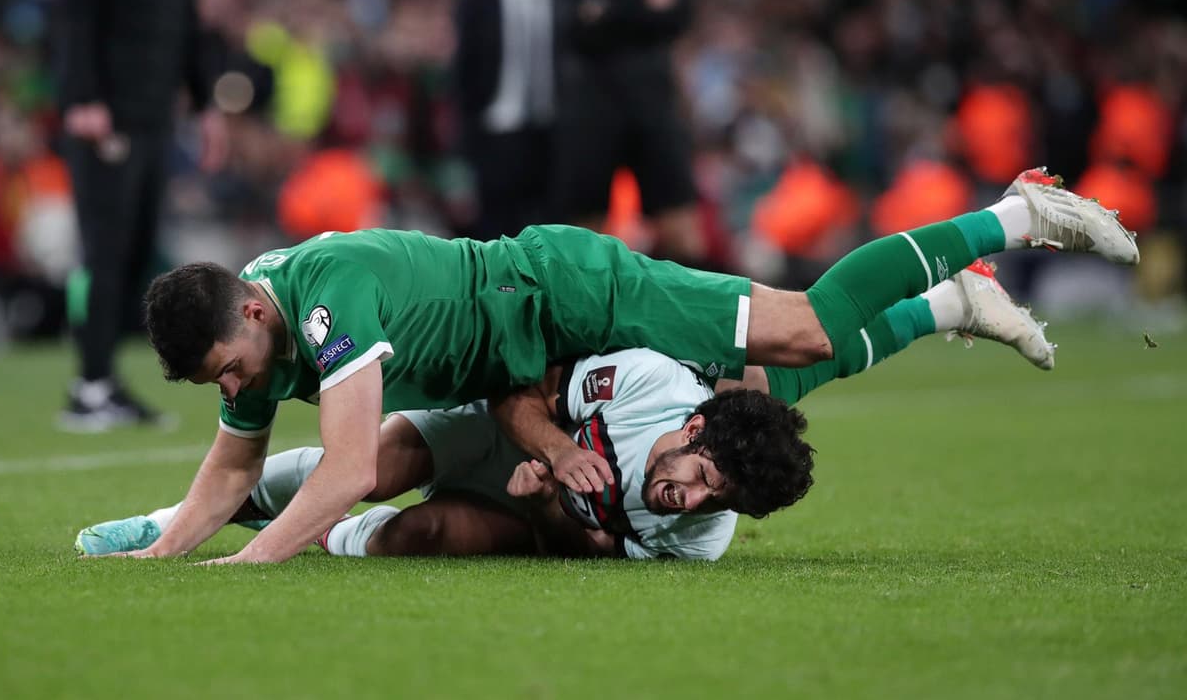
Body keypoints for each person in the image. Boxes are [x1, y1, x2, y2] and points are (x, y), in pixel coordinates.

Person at [104, 166, 1132, 566]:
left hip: (559, 292)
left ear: (251, 307)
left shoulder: (326, 298)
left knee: (802, 331)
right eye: (216, 382)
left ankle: (1015, 212)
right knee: (762, 391)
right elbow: (231, 467)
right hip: (516, 354)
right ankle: (953, 300)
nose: (231, 386)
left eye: (226, 367)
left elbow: (339, 471)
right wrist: (164, 557)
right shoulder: (257, 332)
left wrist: (248, 565)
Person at [77, 259, 1053, 560]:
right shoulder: (649, 380)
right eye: (698, 467)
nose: (683, 496)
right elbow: (523, 380)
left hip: (528, 497)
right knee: (805, 342)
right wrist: (544, 436)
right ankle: (961, 278)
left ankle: (953, 298)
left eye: (710, 496)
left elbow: (586, 550)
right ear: (696, 424)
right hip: (499, 404)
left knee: (409, 532)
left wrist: (545, 497)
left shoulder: (705, 518)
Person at [53, 0, 228, 431]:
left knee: (133, 255)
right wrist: (82, 96)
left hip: (154, 117)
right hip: (107, 114)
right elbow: (75, 5)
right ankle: (89, 386)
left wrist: (206, 105)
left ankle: (105, 383)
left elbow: (187, 24)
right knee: (103, 252)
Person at [552, 0, 703, 264]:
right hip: (590, 101)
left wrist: (604, 10)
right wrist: (642, 4)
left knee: (682, 230)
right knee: (582, 233)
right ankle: (581, 326)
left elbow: (679, 14)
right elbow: (568, 23)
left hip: (652, 99)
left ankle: (697, 326)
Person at [453, 0, 563, 240]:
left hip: (553, 133)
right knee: (494, 232)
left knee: (548, 231)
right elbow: (463, 72)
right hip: (495, 131)